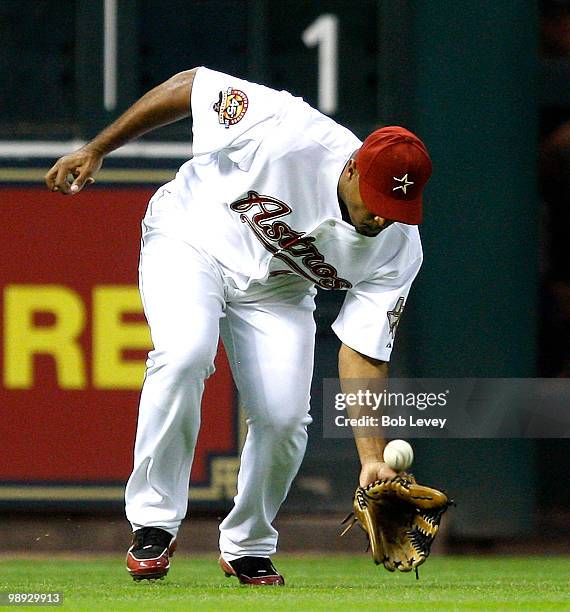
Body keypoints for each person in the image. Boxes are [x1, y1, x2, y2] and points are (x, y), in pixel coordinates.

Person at [45, 67, 432, 585]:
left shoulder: (399, 246)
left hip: (278, 289)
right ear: (353, 169)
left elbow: (363, 352)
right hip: (193, 237)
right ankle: (153, 523)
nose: (384, 219)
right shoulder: (287, 128)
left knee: (283, 419)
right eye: (380, 202)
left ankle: (248, 543)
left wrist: (370, 459)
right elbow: (190, 85)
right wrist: (98, 148)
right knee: (184, 354)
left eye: (398, 208)